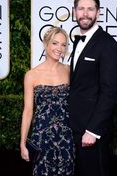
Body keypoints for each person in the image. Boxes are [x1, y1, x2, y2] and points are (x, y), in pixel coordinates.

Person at [68, 0, 117, 176]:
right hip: (74, 128)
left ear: (98, 13)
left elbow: (109, 92)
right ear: (74, 11)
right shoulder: (77, 42)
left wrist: (93, 130)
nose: (85, 13)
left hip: (91, 132)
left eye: (90, 9)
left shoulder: (109, 45)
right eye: (81, 8)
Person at [20, 26, 75, 176]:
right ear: (46, 44)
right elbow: (28, 111)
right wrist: (22, 143)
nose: (59, 48)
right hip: (41, 138)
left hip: (67, 138)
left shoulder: (69, 71)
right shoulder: (31, 75)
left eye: (64, 45)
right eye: (55, 43)